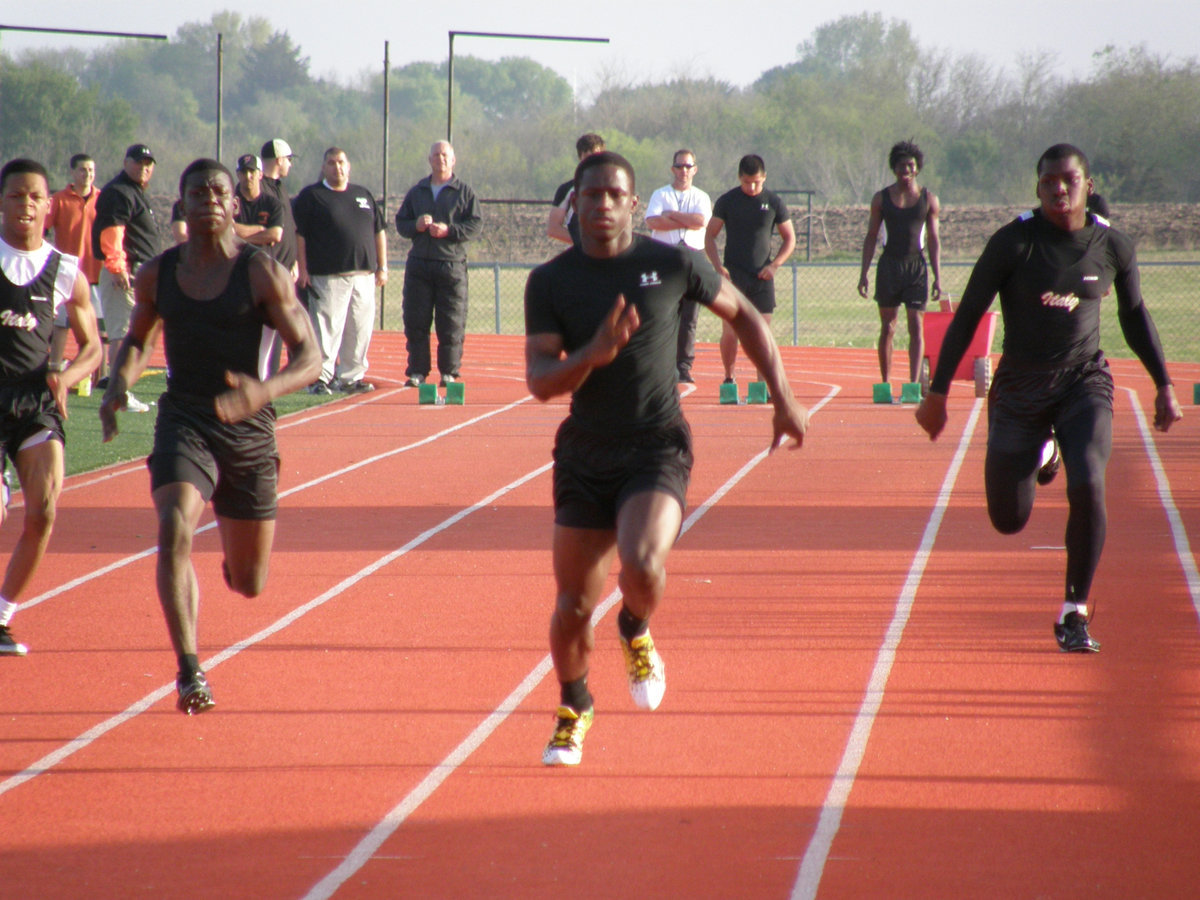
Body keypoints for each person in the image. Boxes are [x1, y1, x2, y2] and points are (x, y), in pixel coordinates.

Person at [524, 151, 809, 765]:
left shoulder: (672, 263)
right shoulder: (550, 282)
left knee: (643, 565)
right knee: (572, 606)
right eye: (590, 195)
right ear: (576, 204)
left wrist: (783, 399)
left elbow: (747, 315)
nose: (601, 205)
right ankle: (575, 706)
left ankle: (633, 626)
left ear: (634, 205)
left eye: (613, 195)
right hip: (585, 452)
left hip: (656, 445)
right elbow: (542, 381)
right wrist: (592, 356)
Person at [915, 143, 1182, 653]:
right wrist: (938, 391)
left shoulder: (1112, 248)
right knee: (1008, 519)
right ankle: (1044, 449)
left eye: (1069, 180)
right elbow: (969, 312)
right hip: (1019, 386)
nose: (1060, 189)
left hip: (1084, 381)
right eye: (1048, 182)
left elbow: (1134, 316)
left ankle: (1074, 610)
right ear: (1037, 189)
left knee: (1089, 480)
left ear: (1087, 184)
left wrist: (1164, 383)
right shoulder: (1013, 243)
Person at [98, 158, 320, 712]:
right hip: (186, 419)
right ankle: (190, 671)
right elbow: (139, 338)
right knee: (173, 527)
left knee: (249, 583)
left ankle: (231, 529)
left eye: (219, 192)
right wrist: (119, 383)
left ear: (235, 204)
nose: (210, 200)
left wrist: (260, 393)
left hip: (249, 428)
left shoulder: (262, 272)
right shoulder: (160, 273)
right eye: (198, 193)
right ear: (183, 203)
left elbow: (312, 358)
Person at [0, 158, 102, 656]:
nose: (25, 205)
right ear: (2, 201)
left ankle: (0, 616)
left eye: (34, 197)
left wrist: (68, 374)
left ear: (47, 205)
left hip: (36, 402)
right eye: (15, 195)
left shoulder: (65, 269)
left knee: (42, 512)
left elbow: (94, 347)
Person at [292, 147, 387, 394]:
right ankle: (319, 379)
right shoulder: (312, 196)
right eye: (332, 163)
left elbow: (379, 231)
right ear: (324, 167)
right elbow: (299, 235)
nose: (338, 167)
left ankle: (350, 377)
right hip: (328, 277)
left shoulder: (363, 195)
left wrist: (382, 267)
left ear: (349, 165)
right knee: (326, 330)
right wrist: (302, 269)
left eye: (342, 162)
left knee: (359, 329)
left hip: (363, 277)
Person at [394, 141, 483, 387]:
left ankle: (449, 373)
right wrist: (416, 226)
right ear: (429, 159)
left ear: (453, 160)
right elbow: (401, 223)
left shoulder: (464, 192)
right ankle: (417, 372)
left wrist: (449, 231)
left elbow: (475, 225)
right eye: (436, 155)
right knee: (416, 321)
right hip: (419, 265)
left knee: (451, 323)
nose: (440, 159)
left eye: (445, 155)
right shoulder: (418, 191)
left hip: (451, 265)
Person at [704, 154, 796, 384]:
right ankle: (729, 377)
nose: (752, 187)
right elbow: (709, 236)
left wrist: (775, 265)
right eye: (746, 182)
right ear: (739, 178)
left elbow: (790, 239)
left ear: (764, 178)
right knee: (730, 330)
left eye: (756, 182)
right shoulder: (727, 201)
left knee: (762, 333)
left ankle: (761, 383)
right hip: (733, 276)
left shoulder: (774, 202)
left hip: (762, 277)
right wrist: (718, 267)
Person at [857, 141, 943, 387]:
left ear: (917, 169)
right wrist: (863, 273)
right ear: (894, 169)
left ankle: (913, 384)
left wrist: (938, 276)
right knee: (888, 326)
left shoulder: (929, 200)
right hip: (889, 268)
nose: (906, 170)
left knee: (916, 327)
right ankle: (885, 383)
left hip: (916, 267)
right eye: (901, 166)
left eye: (910, 166)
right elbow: (872, 235)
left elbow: (934, 239)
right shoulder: (881, 199)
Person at [92, 144, 161, 413]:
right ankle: (118, 393)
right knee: (122, 332)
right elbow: (113, 232)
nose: (144, 168)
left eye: (148, 163)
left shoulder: (134, 192)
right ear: (125, 162)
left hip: (139, 272)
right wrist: (117, 266)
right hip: (125, 272)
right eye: (139, 162)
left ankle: (120, 389)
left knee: (133, 332)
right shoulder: (119, 192)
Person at [644, 148, 713, 383]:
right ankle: (662, 365)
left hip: (693, 256)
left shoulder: (701, 197)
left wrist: (672, 215)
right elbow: (653, 221)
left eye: (688, 166)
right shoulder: (660, 195)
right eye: (680, 166)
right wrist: (684, 219)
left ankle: (683, 366)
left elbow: (700, 222)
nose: (683, 170)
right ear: (673, 169)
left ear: (695, 169)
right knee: (664, 313)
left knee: (689, 316)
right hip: (665, 258)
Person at [45, 153, 103, 379]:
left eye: (91, 170)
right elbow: (43, 230)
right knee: (61, 325)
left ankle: (97, 375)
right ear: (72, 172)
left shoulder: (102, 199)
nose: (87, 174)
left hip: (95, 273)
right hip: (66, 272)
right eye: (82, 170)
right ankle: (55, 367)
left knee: (94, 328)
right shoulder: (60, 199)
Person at [547, 133, 605, 247]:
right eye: (588, 157)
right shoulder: (568, 189)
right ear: (580, 158)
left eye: (596, 156)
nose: (593, 161)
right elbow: (553, 228)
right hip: (581, 257)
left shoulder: (615, 188)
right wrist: (584, 244)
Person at [259, 139, 299, 280]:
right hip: (268, 270)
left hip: (287, 269)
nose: (290, 164)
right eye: (289, 159)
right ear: (279, 160)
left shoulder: (280, 187)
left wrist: (294, 261)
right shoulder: (258, 187)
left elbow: (289, 226)